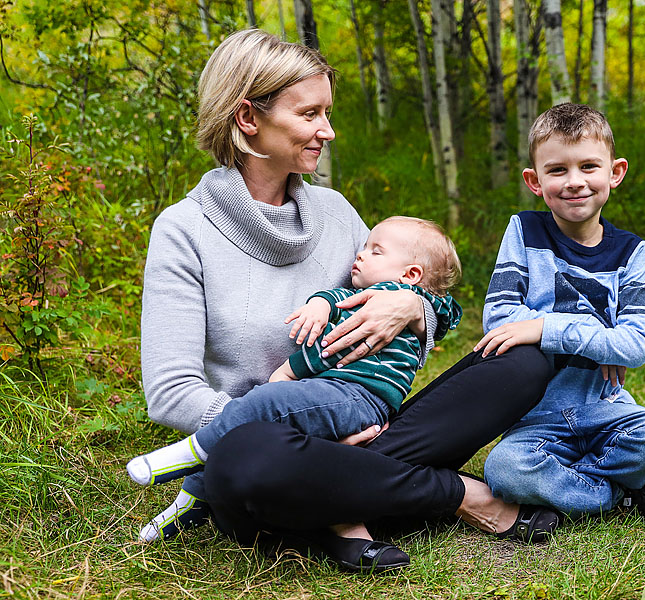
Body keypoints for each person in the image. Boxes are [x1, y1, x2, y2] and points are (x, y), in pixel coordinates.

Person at [138, 28, 557, 573]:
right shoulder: (184, 231)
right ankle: (455, 495)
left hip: (364, 422)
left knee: (521, 362)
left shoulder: (335, 213)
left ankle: (340, 499)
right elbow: (170, 394)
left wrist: (415, 308)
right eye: (310, 114)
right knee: (248, 462)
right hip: (267, 445)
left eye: (326, 113)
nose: (327, 132)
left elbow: (416, 289)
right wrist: (305, 429)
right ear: (248, 119)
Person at [129, 216, 462, 542]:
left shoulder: (388, 295)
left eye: (375, 251)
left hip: (357, 397)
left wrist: (288, 373)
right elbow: (337, 299)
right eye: (364, 246)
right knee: (269, 420)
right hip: (342, 396)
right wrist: (319, 302)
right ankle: (193, 497)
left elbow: (336, 344)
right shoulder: (377, 293)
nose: (360, 254)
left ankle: (191, 452)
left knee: (271, 401)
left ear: (411, 274)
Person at [476, 103, 645, 521]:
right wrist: (600, 339)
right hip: (535, 417)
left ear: (615, 172)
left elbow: (636, 344)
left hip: (607, 408)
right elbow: (500, 320)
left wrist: (541, 326)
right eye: (557, 170)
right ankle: (624, 499)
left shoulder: (630, 251)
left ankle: (569, 494)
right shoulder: (524, 230)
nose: (575, 182)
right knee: (504, 471)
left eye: (589, 167)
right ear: (534, 181)